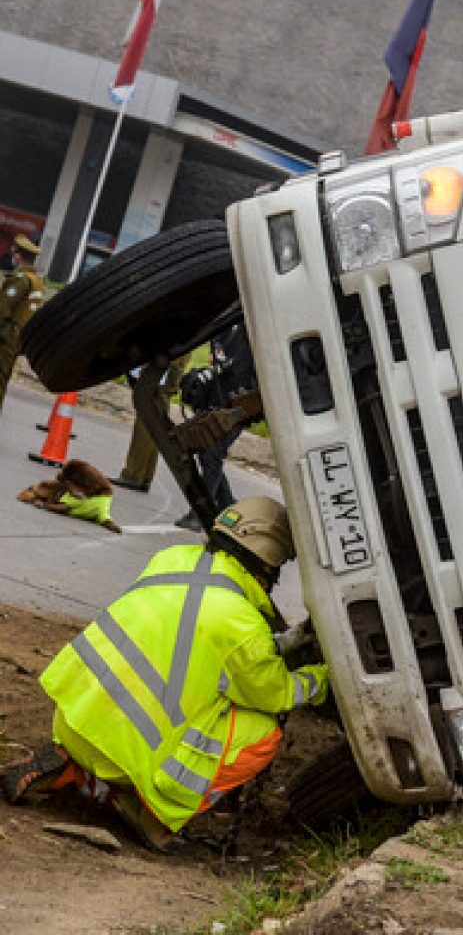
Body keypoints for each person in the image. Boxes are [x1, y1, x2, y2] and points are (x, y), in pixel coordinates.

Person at [2, 496, 329, 852]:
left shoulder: (170, 561)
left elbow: (201, 640)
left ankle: (74, 766)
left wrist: (289, 640)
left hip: (75, 720)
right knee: (264, 733)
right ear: (268, 560)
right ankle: (154, 811)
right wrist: (321, 679)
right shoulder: (241, 624)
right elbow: (274, 692)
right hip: (128, 757)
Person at [176, 324, 258, 532]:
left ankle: (201, 514)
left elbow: (246, 370)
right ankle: (227, 505)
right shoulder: (222, 328)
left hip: (241, 404)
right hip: (218, 399)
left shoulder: (253, 330)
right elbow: (219, 361)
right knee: (207, 454)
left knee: (212, 454)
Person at [109, 356, 189, 494]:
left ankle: (134, 475)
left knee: (146, 423)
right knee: (156, 423)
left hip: (164, 364)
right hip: (171, 364)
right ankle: (145, 476)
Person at [0, 234, 45, 414]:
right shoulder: (37, 282)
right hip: (18, 339)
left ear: (18, 256)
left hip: (5, 338)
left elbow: (2, 309)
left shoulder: (20, 279)